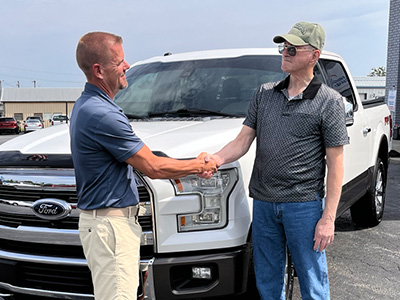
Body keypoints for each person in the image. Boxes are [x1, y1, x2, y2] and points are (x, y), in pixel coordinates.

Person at [205, 22, 349, 299]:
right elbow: (242, 141)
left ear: (314, 55)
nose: (285, 52)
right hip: (264, 204)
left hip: (303, 205)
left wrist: (327, 219)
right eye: (283, 47)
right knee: (268, 278)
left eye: (293, 48)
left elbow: (336, 165)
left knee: (312, 278)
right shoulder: (264, 94)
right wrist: (214, 159)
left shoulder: (329, 101)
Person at [70, 31, 217, 300]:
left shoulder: (88, 105)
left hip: (106, 225)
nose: (127, 66)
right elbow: (153, 167)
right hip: (111, 228)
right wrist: (198, 165)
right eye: (120, 62)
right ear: (99, 70)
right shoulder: (101, 113)